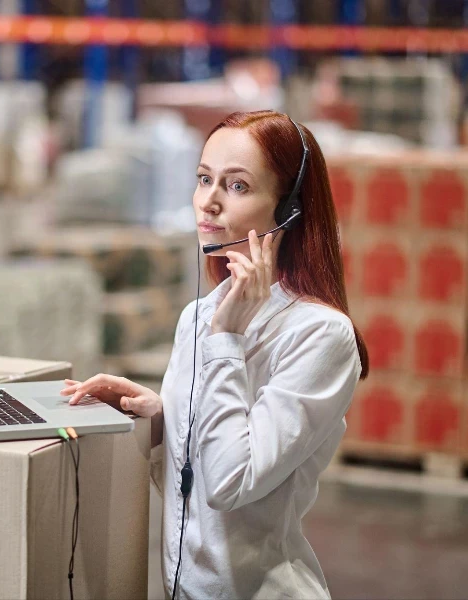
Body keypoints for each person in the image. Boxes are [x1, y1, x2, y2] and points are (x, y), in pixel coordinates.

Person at [60, 110, 370, 599]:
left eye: (238, 186)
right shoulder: (198, 317)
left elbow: (229, 484)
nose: (208, 202)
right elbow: (190, 490)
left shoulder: (320, 336)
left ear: (288, 208)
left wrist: (227, 339)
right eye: (204, 179)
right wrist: (165, 420)